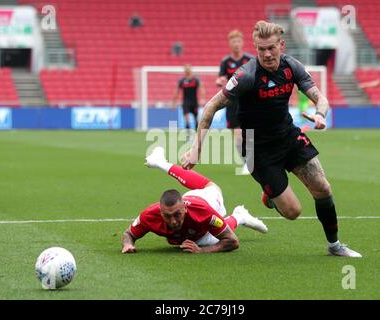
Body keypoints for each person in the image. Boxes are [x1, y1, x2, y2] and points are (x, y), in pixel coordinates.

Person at [182, 20, 362, 258]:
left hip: (288, 136)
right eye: (261, 49)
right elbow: (211, 107)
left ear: (281, 45)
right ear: (256, 48)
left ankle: (334, 245)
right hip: (257, 149)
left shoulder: (292, 67)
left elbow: (321, 98)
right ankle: (270, 196)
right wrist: (196, 149)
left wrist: (320, 114)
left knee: (323, 188)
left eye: (271, 48)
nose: (266, 54)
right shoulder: (246, 75)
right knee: (293, 212)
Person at [121, 146, 268, 254]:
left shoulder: (203, 213)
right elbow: (129, 234)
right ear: (160, 212)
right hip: (190, 196)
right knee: (206, 186)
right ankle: (160, 162)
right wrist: (127, 245)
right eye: (167, 216)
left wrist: (202, 251)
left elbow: (232, 241)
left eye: (177, 215)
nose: (173, 221)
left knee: (207, 238)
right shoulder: (150, 215)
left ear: (185, 208)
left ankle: (239, 217)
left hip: (210, 201)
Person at [216, 30, 254, 175]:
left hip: (248, 103)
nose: (236, 44)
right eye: (233, 41)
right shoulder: (226, 62)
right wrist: (220, 81)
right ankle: (246, 162)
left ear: (242, 42)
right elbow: (220, 79)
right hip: (232, 104)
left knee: (249, 133)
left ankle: (251, 162)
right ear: (230, 44)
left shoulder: (250, 60)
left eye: (238, 41)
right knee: (238, 137)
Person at [171, 64, 205, 130]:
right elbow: (176, 92)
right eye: (186, 70)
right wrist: (173, 103)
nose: (186, 72)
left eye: (188, 70)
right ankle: (188, 136)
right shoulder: (182, 81)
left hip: (194, 102)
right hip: (185, 103)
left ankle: (197, 136)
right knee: (187, 120)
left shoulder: (195, 80)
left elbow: (201, 90)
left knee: (196, 120)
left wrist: (202, 99)